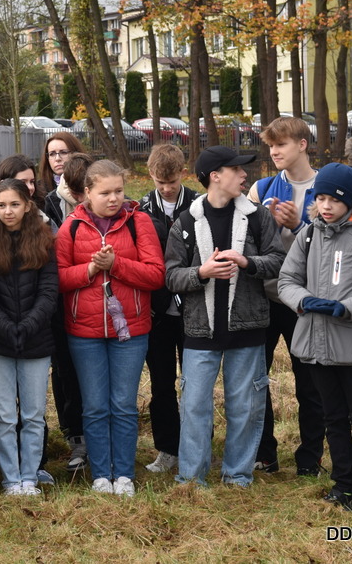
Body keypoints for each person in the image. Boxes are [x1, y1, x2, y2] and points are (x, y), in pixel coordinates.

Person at [165, 146, 285, 488]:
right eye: (237, 169)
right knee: (194, 408)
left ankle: (238, 476)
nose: (245, 174)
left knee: (245, 407)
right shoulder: (186, 222)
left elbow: (278, 260)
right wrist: (201, 273)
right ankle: (191, 479)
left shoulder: (258, 217)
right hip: (199, 332)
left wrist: (247, 262)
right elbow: (170, 276)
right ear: (215, 176)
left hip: (247, 329)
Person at [278, 163, 352, 516]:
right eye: (321, 198)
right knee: (332, 416)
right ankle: (342, 483)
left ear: (351, 200)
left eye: (334, 200)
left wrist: (345, 308)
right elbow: (286, 280)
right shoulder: (309, 234)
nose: (326, 206)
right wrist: (303, 300)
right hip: (316, 344)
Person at [57, 160, 164, 497]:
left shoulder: (139, 222)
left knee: (123, 405)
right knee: (94, 406)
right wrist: (90, 270)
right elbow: (58, 278)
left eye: (119, 190)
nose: (114, 198)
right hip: (84, 332)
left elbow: (155, 274)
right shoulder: (71, 226)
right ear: (87, 193)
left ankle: (125, 474)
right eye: (105, 193)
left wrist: (116, 264)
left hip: (130, 330)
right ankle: (102, 474)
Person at [247, 116, 324, 476]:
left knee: (309, 383)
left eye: (281, 144)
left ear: (302, 144)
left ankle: (310, 458)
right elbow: (245, 244)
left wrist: (299, 225)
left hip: (304, 302)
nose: (274, 152)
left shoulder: (327, 187)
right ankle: (265, 454)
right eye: (271, 146)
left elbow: (339, 246)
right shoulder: (261, 188)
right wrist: (267, 226)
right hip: (263, 298)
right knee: (256, 380)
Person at [0, 178, 57, 496]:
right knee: (4, 415)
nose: (8, 211)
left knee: (33, 414)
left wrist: (27, 325)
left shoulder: (44, 239)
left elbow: (49, 291)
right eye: (1, 205)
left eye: (14, 204)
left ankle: (29, 476)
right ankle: (11, 478)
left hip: (36, 340)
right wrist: (4, 326)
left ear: (27, 205)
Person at [138, 144, 198, 474]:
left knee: (195, 383)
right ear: (151, 175)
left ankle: (196, 445)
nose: (166, 188)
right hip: (157, 312)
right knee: (162, 384)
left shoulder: (199, 205)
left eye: (172, 182)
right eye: (160, 182)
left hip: (193, 309)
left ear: (183, 174)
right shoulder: (142, 208)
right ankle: (167, 448)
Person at [45, 152, 94, 472]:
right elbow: (58, 271)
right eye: (75, 193)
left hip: (100, 310)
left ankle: (100, 438)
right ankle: (76, 436)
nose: (79, 200)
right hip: (64, 308)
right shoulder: (53, 207)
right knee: (67, 375)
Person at [37, 132, 85, 200]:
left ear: (76, 153)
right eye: (52, 154)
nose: (57, 159)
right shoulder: (39, 190)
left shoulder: (90, 182)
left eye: (63, 152)